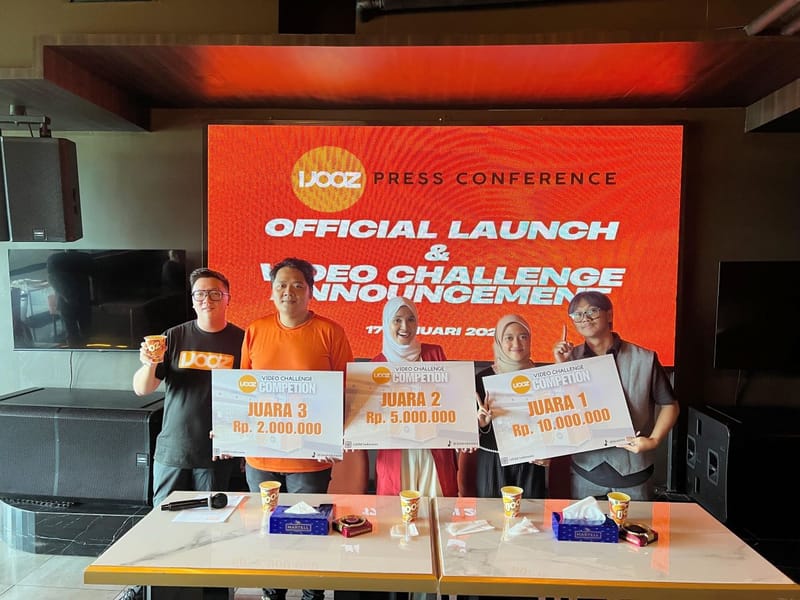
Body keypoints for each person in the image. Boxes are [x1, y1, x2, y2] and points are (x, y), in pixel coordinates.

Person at [240, 257, 353, 600]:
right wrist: (230, 429)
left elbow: (347, 391)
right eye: (281, 285)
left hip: (309, 458)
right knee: (268, 531)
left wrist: (336, 435)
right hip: (261, 457)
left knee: (308, 533)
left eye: (297, 285)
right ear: (272, 292)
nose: (288, 292)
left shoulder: (330, 332)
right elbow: (241, 391)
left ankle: (311, 594)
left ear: (310, 292)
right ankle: (272, 593)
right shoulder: (255, 330)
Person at [133, 267, 244, 508]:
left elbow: (250, 397)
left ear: (228, 299)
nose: (207, 300)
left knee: (210, 517)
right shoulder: (173, 337)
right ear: (193, 300)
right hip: (174, 447)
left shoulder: (243, 341)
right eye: (200, 294)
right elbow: (142, 389)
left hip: (216, 450)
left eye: (215, 293)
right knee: (164, 515)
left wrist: (239, 440)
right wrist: (149, 363)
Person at [552, 291, 679, 501]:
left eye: (592, 311)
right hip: (586, 470)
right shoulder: (569, 359)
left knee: (636, 523)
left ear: (609, 314)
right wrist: (561, 367)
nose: (585, 318)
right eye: (578, 314)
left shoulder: (644, 358)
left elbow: (670, 405)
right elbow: (557, 409)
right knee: (585, 523)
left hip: (634, 471)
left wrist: (654, 440)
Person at [373, 296, 459, 498]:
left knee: (437, 507)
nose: (405, 326)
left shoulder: (434, 354)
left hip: (433, 449)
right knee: (397, 511)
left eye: (411, 319)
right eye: (397, 320)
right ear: (387, 323)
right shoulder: (376, 365)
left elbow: (452, 400)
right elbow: (370, 417)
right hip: (397, 453)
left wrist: (464, 432)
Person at [474, 314, 547, 499]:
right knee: (491, 514)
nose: (517, 343)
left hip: (531, 462)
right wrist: (482, 424)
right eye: (509, 338)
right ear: (499, 341)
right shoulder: (481, 379)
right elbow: (469, 434)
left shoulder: (544, 377)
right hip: (493, 461)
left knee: (533, 513)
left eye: (523, 336)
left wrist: (550, 451)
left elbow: (556, 421)